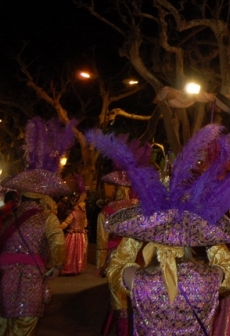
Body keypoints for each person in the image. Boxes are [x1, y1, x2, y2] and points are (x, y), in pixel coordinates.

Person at [89, 124, 230, 336]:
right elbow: (229, 274)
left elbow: (115, 268)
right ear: (191, 241)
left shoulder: (138, 280)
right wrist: (211, 239)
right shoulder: (206, 279)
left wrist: (136, 235)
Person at [0, 117, 72, 336]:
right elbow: (58, 244)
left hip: (4, 278)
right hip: (30, 279)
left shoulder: (8, 216)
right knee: (25, 325)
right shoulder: (47, 218)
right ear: (43, 196)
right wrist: (57, 266)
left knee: (3, 323)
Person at [95, 137, 148, 336]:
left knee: (118, 299)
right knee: (135, 296)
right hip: (138, 257)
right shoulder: (139, 209)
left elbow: (101, 240)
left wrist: (100, 265)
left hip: (115, 258)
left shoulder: (107, 211)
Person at [60, 175, 88, 276]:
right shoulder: (83, 214)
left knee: (69, 252)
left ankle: (69, 268)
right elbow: (85, 223)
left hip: (72, 235)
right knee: (78, 253)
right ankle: (77, 268)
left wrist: (58, 228)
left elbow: (66, 223)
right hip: (81, 236)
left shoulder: (73, 213)